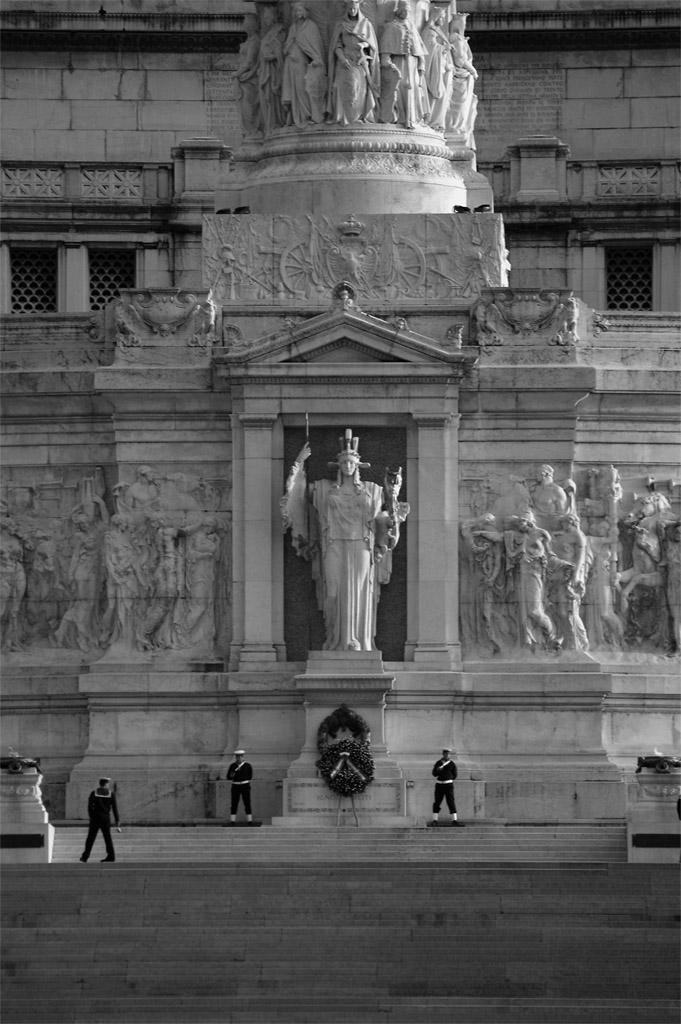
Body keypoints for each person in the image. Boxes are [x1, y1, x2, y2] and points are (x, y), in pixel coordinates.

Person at [281, 429, 407, 652]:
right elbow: (297, 496)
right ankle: (335, 640)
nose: (347, 466)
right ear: (338, 465)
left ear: (357, 466)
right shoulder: (323, 489)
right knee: (333, 592)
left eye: (351, 462)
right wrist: (298, 466)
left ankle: (358, 641)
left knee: (358, 592)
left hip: (361, 546)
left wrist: (392, 499)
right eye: (344, 462)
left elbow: (384, 517)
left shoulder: (373, 491)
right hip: (333, 545)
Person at [327, 0, 380, 126]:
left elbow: (371, 43)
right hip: (344, 60)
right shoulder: (341, 24)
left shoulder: (365, 24)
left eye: (354, 9)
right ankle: (341, 116)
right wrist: (341, 58)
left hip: (360, 60)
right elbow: (337, 43)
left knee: (359, 87)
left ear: (358, 8)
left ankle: (360, 115)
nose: (352, 11)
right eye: (350, 9)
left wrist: (364, 44)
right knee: (339, 86)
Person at [379, 0, 428, 129]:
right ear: (399, 11)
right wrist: (389, 65)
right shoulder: (391, 27)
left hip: (412, 64)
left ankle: (413, 119)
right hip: (398, 63)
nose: (406, 13)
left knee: (414, 89)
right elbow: (385, 54)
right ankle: (400, 118)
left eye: (408, 10)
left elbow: (419, 49)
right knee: (400, 88)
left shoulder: (412, 27)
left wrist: (421, 64)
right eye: (404, 10)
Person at [282, 2, 327, 128]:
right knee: (295, 90)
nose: (297, 13)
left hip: (304, 64)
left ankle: (308, 115)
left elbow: (315, 46)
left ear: (305, 12)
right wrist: (289, 47)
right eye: (295, 11)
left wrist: (316, 59)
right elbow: (286, 46)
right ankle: (298, 116)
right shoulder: (293, 28)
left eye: (299, 11)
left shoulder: (310, 26)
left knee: (304, 89)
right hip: (292, 64)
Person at [80, 777, 121, 862]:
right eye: (108, 783)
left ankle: (85, 856)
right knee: (107, 837)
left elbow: (90, 807)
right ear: (106, 784)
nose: (108, 785)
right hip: (106, 818)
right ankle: (111, 856)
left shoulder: (94, 793)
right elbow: (114, 808)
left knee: (91, 837)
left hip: (96, 817)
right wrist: (117, 820)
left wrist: (91, 816)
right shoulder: (111, 794)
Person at [430, 748, 464, 826]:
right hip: (439, 784)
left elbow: (455, 775)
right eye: (445, 753)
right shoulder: (438, 763)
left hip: (448, 785)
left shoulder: (452, 764)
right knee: (437, 802)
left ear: (449, 755)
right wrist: (438, 770)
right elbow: (434, 774)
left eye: (448, 754)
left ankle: (454, 820)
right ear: (443, 754)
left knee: (451, 801)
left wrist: (448, 777)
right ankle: (435, 819)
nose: (446, 755)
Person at [227, 749, 254, 825]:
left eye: (240, 757)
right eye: (237, 757)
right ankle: (232, 820)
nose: (238, 759)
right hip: (236, 785)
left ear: (242, 757)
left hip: (245, 785)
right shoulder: (233, 766)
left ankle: (249, 820)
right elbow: (228, 776)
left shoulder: (247, 766)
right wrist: (231, 776)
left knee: (247, 803)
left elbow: (250, 776)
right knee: (234, 803)